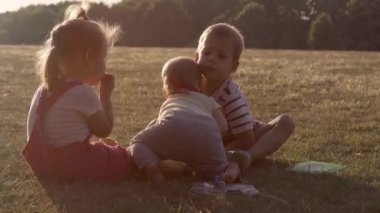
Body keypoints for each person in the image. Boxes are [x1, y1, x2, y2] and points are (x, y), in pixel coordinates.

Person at [23, 4, 134, 182]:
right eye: (104, 58)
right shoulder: (82, 92)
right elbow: (104, 129)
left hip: (45, 165)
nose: (106, 64)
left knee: (107, 146)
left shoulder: (44, 89)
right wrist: (105, 95)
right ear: (89, 57)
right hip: (72, 166)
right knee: (123, 157)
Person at [129, 57, 251, 185]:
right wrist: (208, 139)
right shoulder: (208, 100)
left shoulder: (171, 100)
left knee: (139, 141)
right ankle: (230, 170)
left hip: (174, 122)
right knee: (219, 166)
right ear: (199, 84)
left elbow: (160, 127)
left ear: (172, 83)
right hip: (207, 129)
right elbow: (223, 126)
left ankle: (151, 165)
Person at [196, 23, 295, 162]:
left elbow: (246, 140)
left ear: (233, 66)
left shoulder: (230, 96)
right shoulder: (191, 85)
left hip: (245, 135)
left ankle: (247, 157)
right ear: (196, 57)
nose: (211, 59)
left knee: (286, 122)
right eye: (206, 53)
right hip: (213, 140)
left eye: (221, 56)